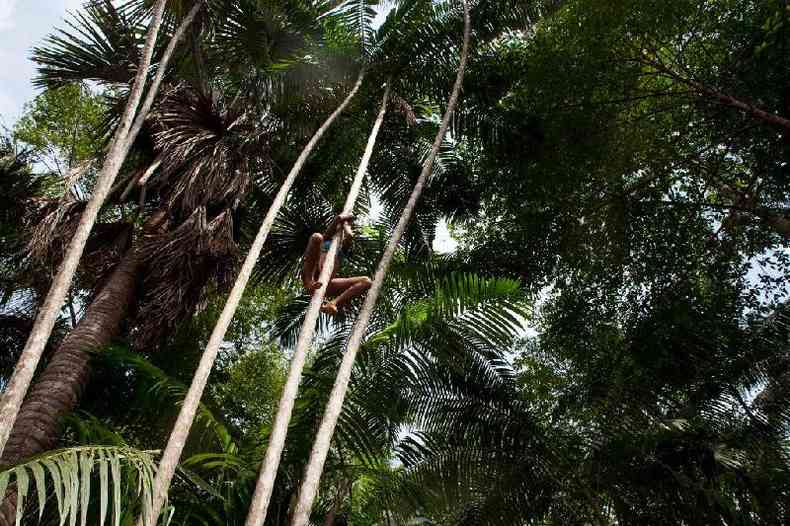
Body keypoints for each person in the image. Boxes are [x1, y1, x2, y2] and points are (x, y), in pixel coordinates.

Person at [302, 213, 372, 315]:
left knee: (366, 281)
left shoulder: (342, 249)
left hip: (326, 283)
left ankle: (333, 303)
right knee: (317, 237)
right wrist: (343, 220)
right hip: (314, 274)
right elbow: (337, 219)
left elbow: (350, 236)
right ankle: (309, 281)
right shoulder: (327, 239)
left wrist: (347, 226)